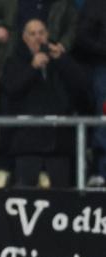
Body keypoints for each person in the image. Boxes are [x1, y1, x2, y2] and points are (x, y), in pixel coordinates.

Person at [1, 18, 87, 187]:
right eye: (32, 34)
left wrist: (62, 59)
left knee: (60, 196)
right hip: (27, 145)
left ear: (47, 35)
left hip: (58, 144)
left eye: (41, 33)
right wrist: (32, 68)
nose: (38, 38)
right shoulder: (15, 61)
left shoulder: (59, 60)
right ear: (25, 38)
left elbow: (81, 85)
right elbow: (11, 88)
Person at [73, 0, 106, 185]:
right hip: (102, 67)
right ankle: (100, 171)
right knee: (104, 119)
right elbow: (82, 35)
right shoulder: (97, 4)